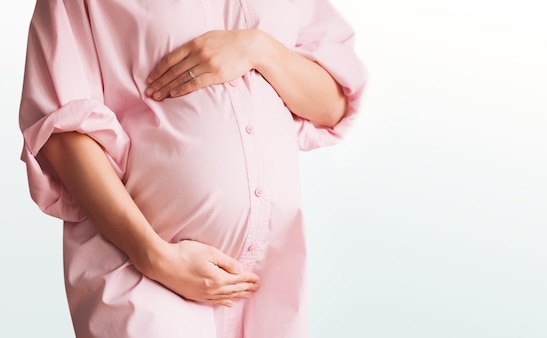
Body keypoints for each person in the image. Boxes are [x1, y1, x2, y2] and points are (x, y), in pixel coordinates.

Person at [18, 0, 366, 337]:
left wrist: (259, 49)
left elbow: (333, 104)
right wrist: (154, 257)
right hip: (141, 268)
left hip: (265, 277)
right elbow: (60, 133)